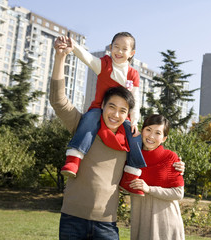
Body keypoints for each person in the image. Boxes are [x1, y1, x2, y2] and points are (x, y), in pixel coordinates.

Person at [51, 38, 185, 240]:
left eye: (123, 110)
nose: (115, 114)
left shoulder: (130, 141)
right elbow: (58, 101)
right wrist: (60, 57)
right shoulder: (83, 127)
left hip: (106, 223)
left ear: (128, 115)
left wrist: (177, 164)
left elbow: (155, 156)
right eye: (111, 107)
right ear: (102, 105)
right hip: (73, 219)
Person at [58, 33, 146, 195]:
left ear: (132, 53)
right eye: (116, 47)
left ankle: (130, 176)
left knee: (135, 137)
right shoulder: (104, 65)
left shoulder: (133, 74)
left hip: (121, 116)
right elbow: (87, 58)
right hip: (99, 109)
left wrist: (134, 121)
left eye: (124, 49)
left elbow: (135, 100)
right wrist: (74, 46)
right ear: (110, 47)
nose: (119, 52)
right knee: (89, 120)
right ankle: (74, 159)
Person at [129, 114, 185, 240]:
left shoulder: (170, 158)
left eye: (158, 133)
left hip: (166, 224)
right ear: (141, 130)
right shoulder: (131, 155)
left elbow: (178, 193)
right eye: (148, 130)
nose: (151, 136)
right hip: (141, 221)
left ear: (164, 138)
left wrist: (149, 189)